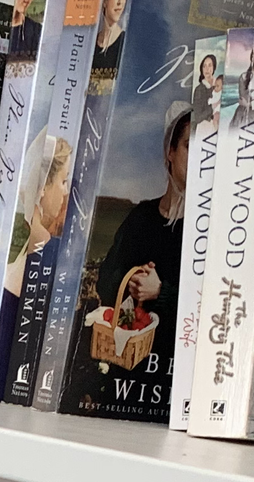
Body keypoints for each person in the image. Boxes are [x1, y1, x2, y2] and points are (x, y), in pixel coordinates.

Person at [61, 105, 193, 417]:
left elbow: (209, 307)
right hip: (126, 370)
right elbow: (106, 279)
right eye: (190, 145)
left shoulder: (209, 231)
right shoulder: (141, 218)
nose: (199, 155)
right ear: (170, 152)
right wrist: (132, 283)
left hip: (175, 379)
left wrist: (160, 292)